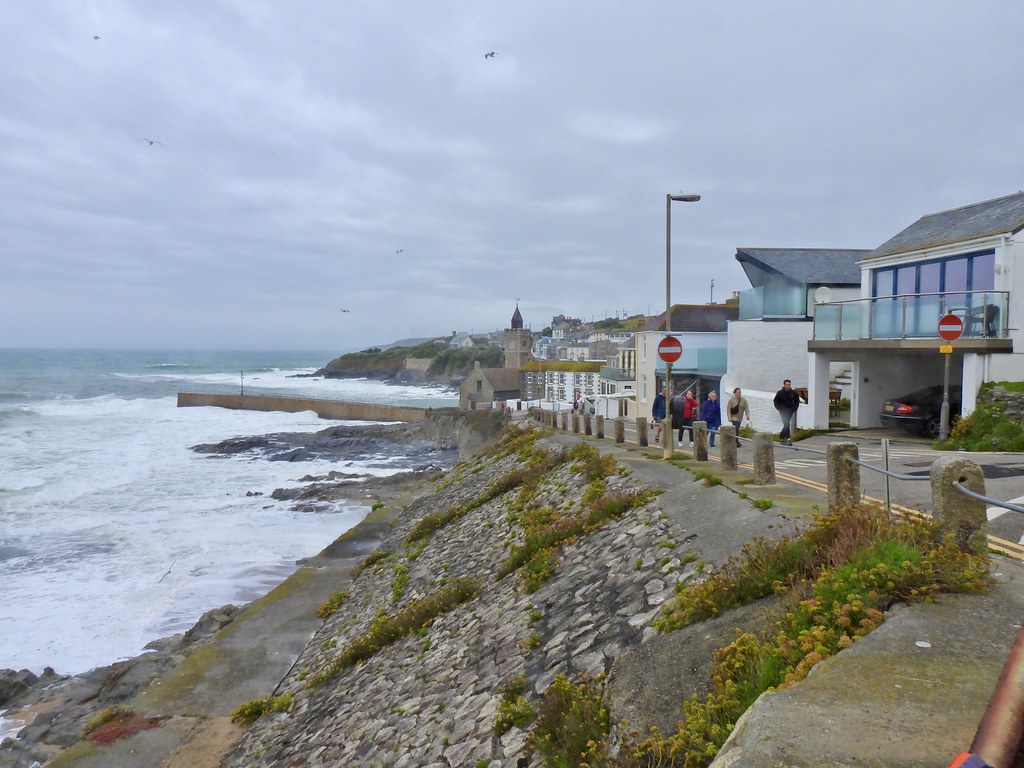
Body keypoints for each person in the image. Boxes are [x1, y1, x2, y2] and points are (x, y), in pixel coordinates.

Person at [773, 379, 801, 445]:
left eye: (789, 384)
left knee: (786, 424)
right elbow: (775, 401)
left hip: (790, 411)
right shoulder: (780, 393)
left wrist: (794, 409)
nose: (788, 386)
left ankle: (782, 437)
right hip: (782, 411)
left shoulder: (793, 393)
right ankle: (788, 439)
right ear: (784, 385)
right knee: (787, 423)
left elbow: (797, 401)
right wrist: (778, 408)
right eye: (787, 384)